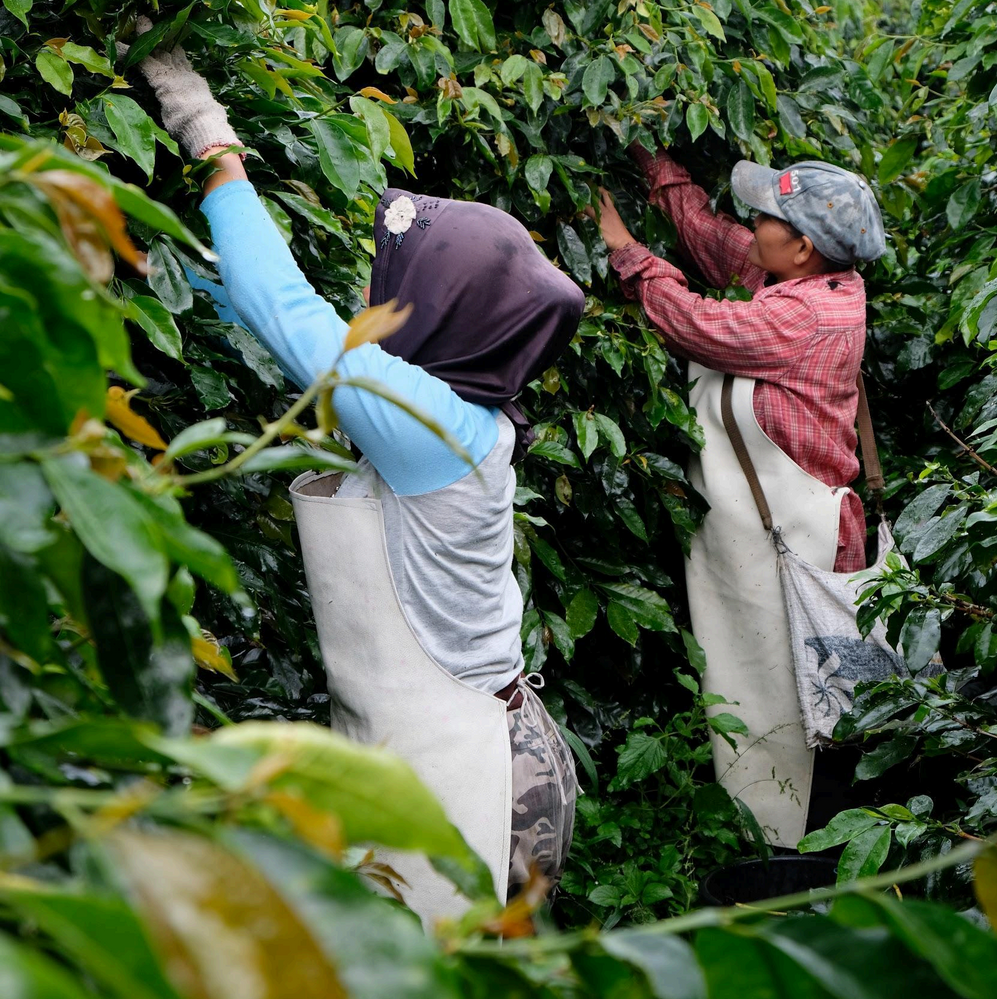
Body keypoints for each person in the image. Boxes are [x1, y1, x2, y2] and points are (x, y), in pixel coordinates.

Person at [123, 24, 581, 922]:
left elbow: (285, 310)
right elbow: (259, 305)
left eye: (398, 286)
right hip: (468, 749)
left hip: (468, 780)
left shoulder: (429, 425)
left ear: (446, 312)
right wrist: (151, 260)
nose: (376, 300)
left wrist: (210, 137)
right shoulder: (459, 411)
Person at [588, 144, 886, 848]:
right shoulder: (801, 279)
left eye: (767, 217)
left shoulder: (808, 317)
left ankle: (799, 853)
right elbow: (714, 239)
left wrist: (627, 250)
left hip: (797, 536)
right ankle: (781, 833)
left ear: (804, 248)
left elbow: (695, 321)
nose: (752, 224)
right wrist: (655, 163)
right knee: (769, 687)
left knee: (798, 696)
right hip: (766, 533)